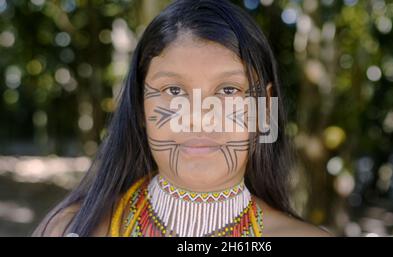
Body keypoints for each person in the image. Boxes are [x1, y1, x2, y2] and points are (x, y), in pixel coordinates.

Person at [33, 0, 331, 237]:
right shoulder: (69, 229)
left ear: (264, 110)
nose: (199, 116)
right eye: (173, 90)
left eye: (228, 90)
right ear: (139, 107)